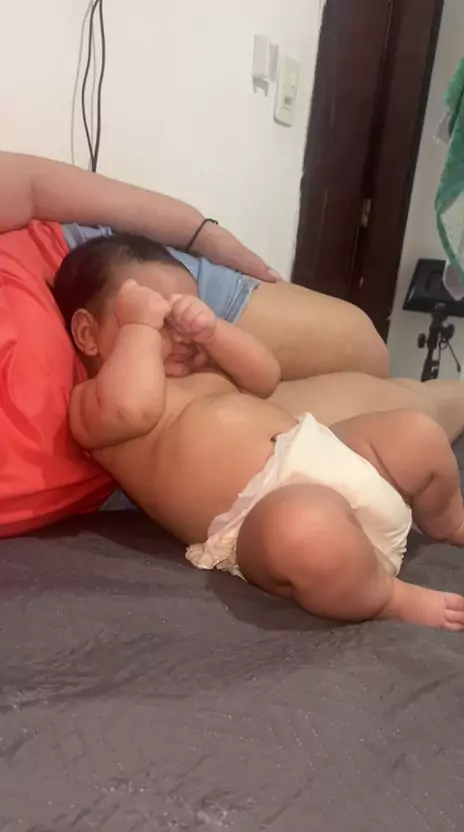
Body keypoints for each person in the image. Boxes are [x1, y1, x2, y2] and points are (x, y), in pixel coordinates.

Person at [52, 235, 464, 631]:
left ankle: (449, 521)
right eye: (159, 319)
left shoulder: (203, 366)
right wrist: (140, 327)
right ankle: (386, 597)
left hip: (329, 450)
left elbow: (266, 377)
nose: (179, 333)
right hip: (261, 519)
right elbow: (134, 408)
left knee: (417, 433)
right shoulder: (95, 400)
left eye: (184, 313)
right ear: (88, 334)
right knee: (306, 531)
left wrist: (212, 332)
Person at [0, 151, 389, 380]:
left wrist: (204, 236)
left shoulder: (168, 298)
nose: (185, 336)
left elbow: (31, 184)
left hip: (111, 267)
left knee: (363, 350)